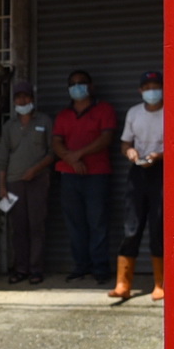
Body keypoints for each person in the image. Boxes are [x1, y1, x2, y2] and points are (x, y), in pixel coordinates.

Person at [53, 69, 116, 285]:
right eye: (73, 83)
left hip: (97, 175)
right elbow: (56, 142)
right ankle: (81, 266)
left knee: (97, 222)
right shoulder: (63, 115)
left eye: (81, 82)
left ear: (91, 86)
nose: (77, 86)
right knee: (75, 224)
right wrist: (71, 159)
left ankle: (100, 268)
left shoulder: (104, 109)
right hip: (69, 176)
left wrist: (78, 154)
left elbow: (106, 138)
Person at [111, 70, 165, 302]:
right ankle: (123, 283)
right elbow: (124, 143)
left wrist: (159, 156)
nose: (152, 91)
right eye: (147, 87)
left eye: (156, 86)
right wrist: (130, 152)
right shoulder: (134, 113)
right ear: (140, 90)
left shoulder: (170, 111)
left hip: (162, 170)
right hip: (138, 171)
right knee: (131, 227)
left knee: (158, 226)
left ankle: (160, 283)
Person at [0, 82, 53, 284]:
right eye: (18, 97)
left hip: (38, 180)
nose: (22, 100)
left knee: (36, 226)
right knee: (19, 228)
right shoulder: (9, 126)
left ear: (32, 99)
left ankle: (36, 269)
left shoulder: (44, 121)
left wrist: (35, 170)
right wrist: (2, 186)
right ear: (14, 101)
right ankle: (20, 269)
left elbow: (52, 152)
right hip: (14, 182)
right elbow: (3, 157)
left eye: (26, 96)